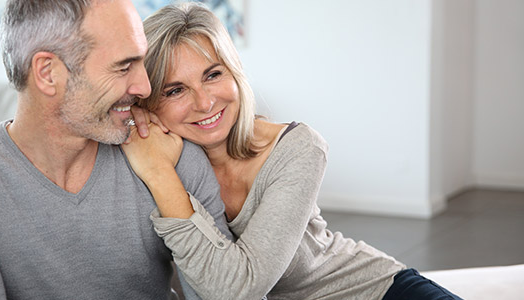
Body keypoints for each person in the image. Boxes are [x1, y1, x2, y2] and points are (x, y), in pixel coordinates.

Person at [122, 2, 463, 300]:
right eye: (175, 90)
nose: (205, 101)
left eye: (213, 74)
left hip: (373, 291)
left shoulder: (298, 147)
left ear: (235, 73)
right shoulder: (152, 155)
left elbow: (240, 289)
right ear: (148, 102)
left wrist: (160, 174)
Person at [0, 1, 233, 299]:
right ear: (48, 72)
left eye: (141, 61)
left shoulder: (170, 154)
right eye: (124, 67)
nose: (145, 87)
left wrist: (162, 175)